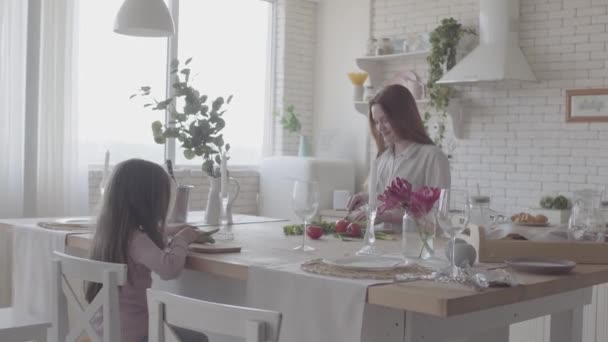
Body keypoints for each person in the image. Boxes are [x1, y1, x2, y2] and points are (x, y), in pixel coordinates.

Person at [85, 158, 207, 342]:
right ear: (148, 202)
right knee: (197, 339)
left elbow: (139, 243)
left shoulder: (108, 234)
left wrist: (167, 231)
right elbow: (170, 269)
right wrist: (183, 238)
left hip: (103, 332)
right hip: (136, 334)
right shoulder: (137, 241)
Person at [347, 84, 450, 224]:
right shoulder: (382, 159)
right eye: (376, 122)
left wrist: (388, 217)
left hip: (413, 245)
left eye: (385, 120)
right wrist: (367, 198)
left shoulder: (432, 157)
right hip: (380, 244)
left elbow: (439, 217)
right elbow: (387, 204)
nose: (380, 128)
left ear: (403, 117)